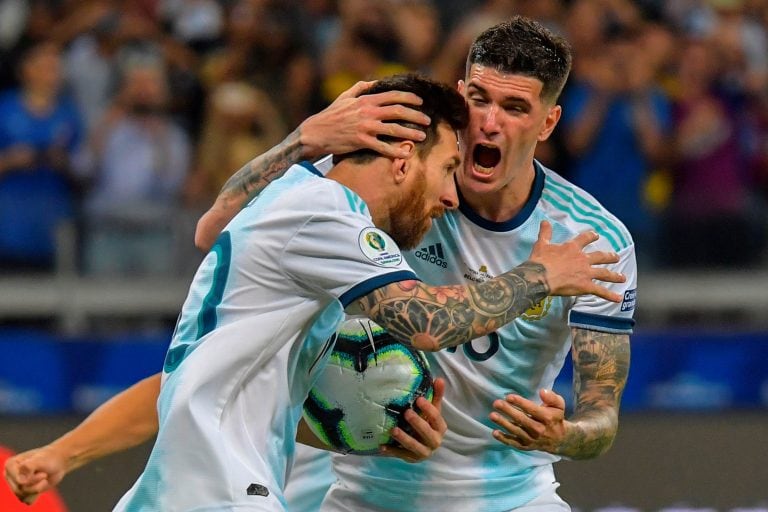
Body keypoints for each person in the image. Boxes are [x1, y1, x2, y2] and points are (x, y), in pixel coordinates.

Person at [7, 17, 634, 510]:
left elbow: (601, 415)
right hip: (352, 495)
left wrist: (563, 435)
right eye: (476, 99)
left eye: (515, 109)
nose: (487, 124)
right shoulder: (342, 212)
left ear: (549, 121)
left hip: (509, 497)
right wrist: (305, 138)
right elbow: (216, 228)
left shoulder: (594, 239)